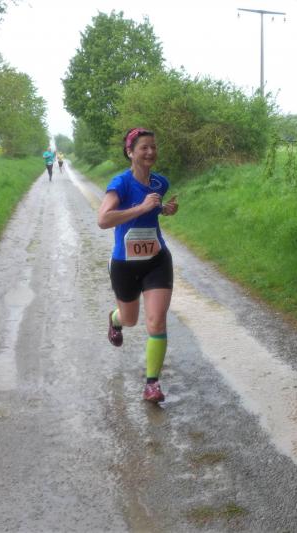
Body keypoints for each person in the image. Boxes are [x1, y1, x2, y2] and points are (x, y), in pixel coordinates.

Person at [98, 128, 179, 403]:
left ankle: (152, 384)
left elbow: (155, 208)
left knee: (156, 321)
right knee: (130, 319)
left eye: (153, 146)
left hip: (156, 259)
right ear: (130, 152)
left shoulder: (160, 183)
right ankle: (115, 319)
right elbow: (103, 219)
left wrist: (164, 209)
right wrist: (142, 208)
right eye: (144, 147)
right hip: (125, 263)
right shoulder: (120, 183)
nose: (150, 152)